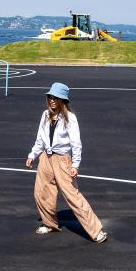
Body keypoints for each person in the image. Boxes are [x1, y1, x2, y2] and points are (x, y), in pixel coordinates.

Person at [25, 82, 107, 244]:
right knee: (41, 193)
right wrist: (32, 155)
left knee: (73, 196)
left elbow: (76, 143)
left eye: (56, 98)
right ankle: (49, 224)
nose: (52, 101)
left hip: (63, 160)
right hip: (45, 159)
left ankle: (96, 230)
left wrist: (75, 164)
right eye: (50, 97)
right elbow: (40, 139)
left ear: (63, 100)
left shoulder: (70, 118)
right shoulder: (44, 115)